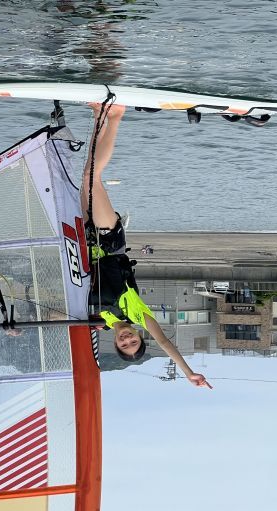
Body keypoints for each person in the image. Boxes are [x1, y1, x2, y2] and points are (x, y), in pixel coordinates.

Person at [82, 102, 212, 389]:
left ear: (115, 343)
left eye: (123, 344)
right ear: (140, 336)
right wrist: (188, 371)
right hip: (109, 239)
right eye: (133, 342)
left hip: (88, 241)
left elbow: (55, 315)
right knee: (93, 178)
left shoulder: (97, 318)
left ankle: (98, 116)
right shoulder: (138, 315)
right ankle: (115, 116)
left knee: (86, 176)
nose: (127, 339)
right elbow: (165, 342)